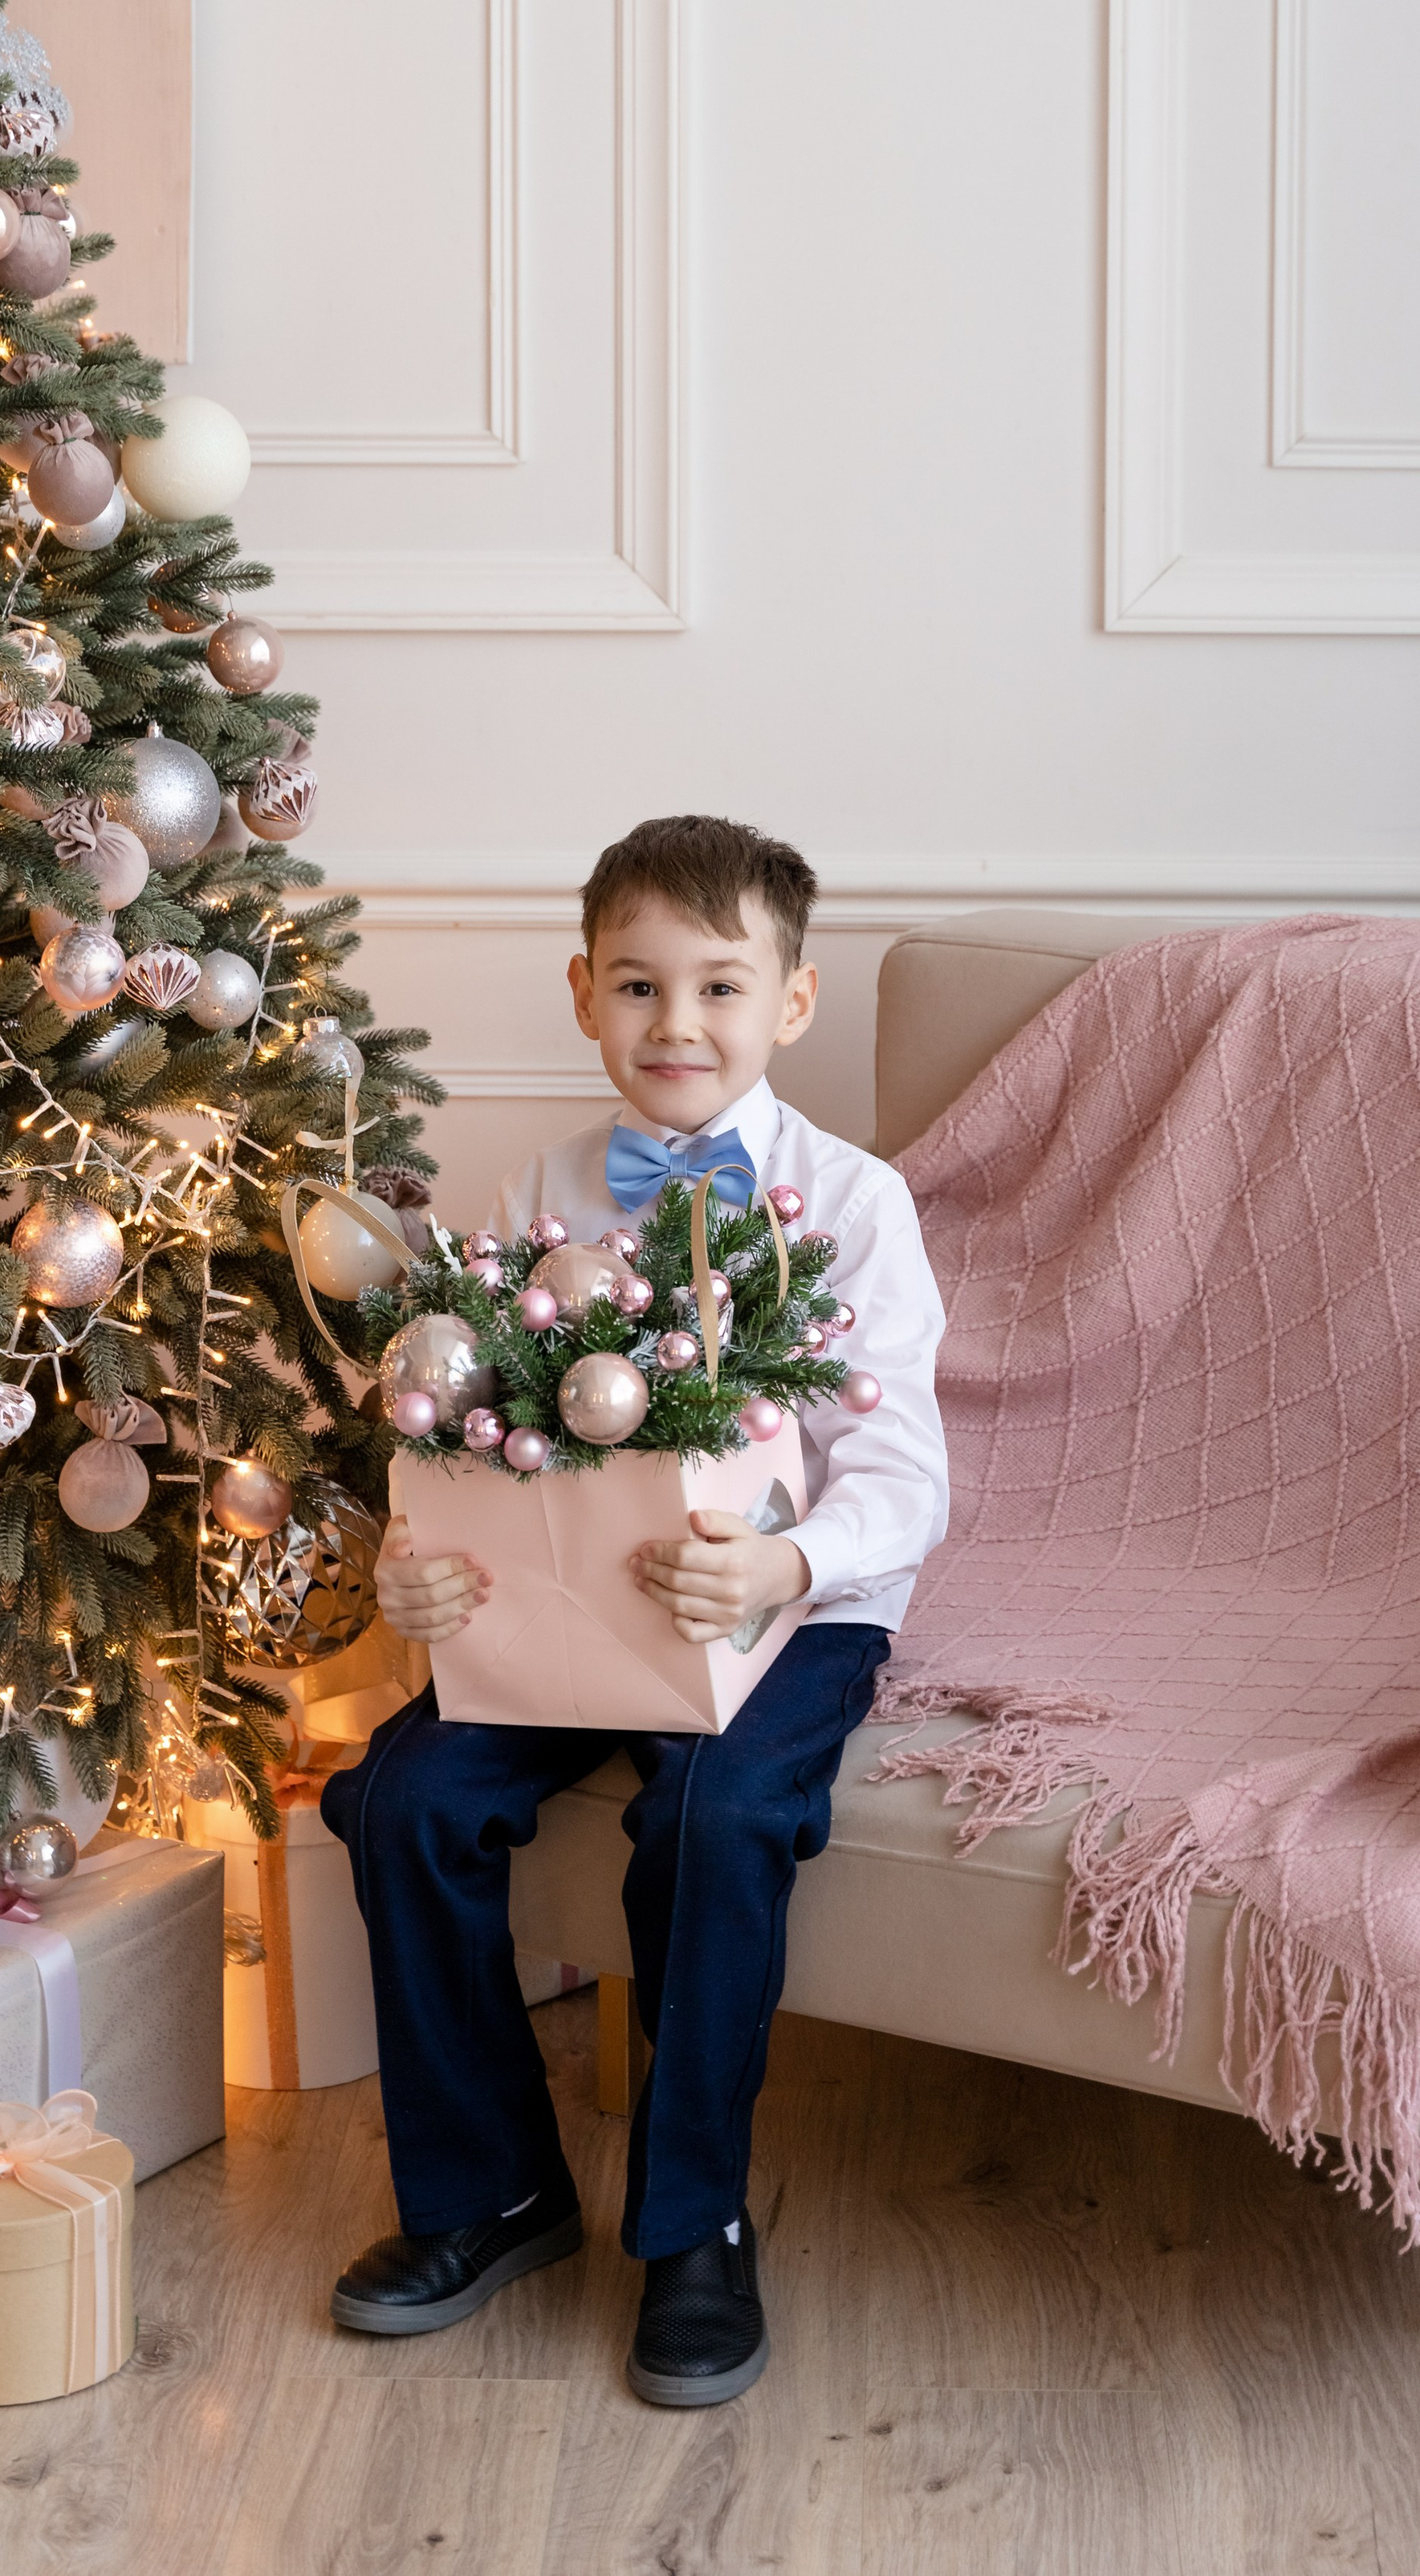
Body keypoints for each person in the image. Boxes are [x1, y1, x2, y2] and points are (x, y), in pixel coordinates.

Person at [321, 814, 949, 2406]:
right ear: (583, 991)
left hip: (792, 1612)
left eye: (720, 987)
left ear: (790, 1003)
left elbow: (902, 1477)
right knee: (400, 1797)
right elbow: (468, 1434)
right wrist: (418, 1573)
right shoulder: (539, 1190)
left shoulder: (856, 1200)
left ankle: (693, 2228)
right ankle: (491, 2194)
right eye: (639, 985)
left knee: (715, 1817)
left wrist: (783, 1566)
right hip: (569, 1612)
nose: (677, 1024)